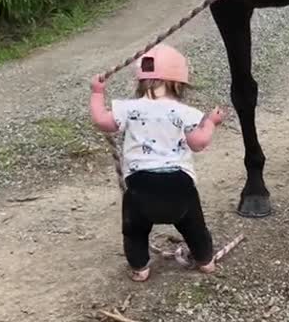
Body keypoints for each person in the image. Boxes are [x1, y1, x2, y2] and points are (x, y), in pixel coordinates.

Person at [89, 43, 224, 282]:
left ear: (140, 80)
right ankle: (205, 261)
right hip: (179, 186)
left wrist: (97, 93)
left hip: (140, 186)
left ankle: (140, 268)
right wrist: (211, 123)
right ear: (179, 82)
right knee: (194, 226)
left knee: (135, 230)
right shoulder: (185, 112)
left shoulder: (128, 109)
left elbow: (101, 121)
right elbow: (199, 143)